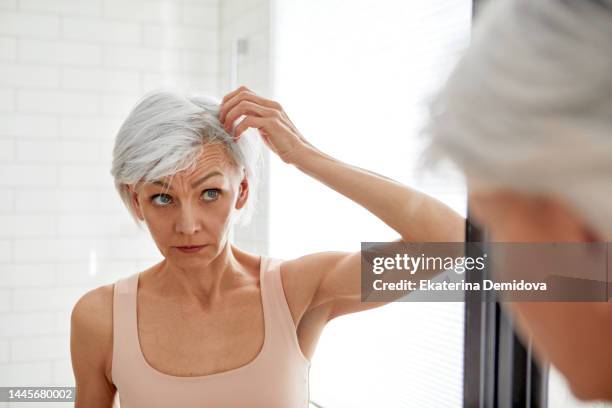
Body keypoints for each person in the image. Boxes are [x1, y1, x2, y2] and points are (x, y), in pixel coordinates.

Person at [70, 86, 464, 407]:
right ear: (135, 200)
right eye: (162, 198)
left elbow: (454, 243)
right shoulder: (101, 317)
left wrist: (305, 156)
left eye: (209, 193)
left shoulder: (295, 291)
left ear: (241, 191)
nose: (187, 226)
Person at [423, 0, 612, 401]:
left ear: (587, 239)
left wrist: (309, 159)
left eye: (497, 228)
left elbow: (439, 248)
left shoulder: (291, 283)